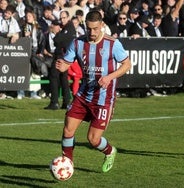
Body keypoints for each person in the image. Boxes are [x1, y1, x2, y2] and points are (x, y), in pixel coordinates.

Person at [55, 10, 131, 172]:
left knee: (93, 139)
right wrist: (63, 66)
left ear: (102, 25)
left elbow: (127, 64)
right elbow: (67, 63)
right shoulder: (77, 43)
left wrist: (109, 77)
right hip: (83, 95)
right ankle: (67, 164)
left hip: (104, 98)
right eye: (89, 28)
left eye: (95, 29)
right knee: (68, 129)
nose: (92, 32)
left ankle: (110, 152)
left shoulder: (113, 44)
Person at [44, 10, 76, 110]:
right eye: (61, 18)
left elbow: (58, 40)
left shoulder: (69, 28)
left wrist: (57, 34)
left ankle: (54, 102)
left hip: (61, 56)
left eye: (64, 18)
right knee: (63, 79)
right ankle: (66, 102)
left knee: (54, 77)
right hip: (63, 56)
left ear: (68, 18)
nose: (62, 20)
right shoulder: (67, 28)